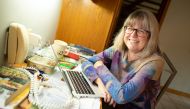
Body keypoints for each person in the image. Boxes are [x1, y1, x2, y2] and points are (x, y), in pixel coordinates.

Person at [81, 9, 164, 109]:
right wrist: (100, 83)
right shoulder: (118, 49)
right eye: (130, 28)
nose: (133, 35)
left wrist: (99, 65)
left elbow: (122, 96)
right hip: (109, 103)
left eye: (141, 31)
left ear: (151, 36)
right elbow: (87, 62)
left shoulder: (154, 63)